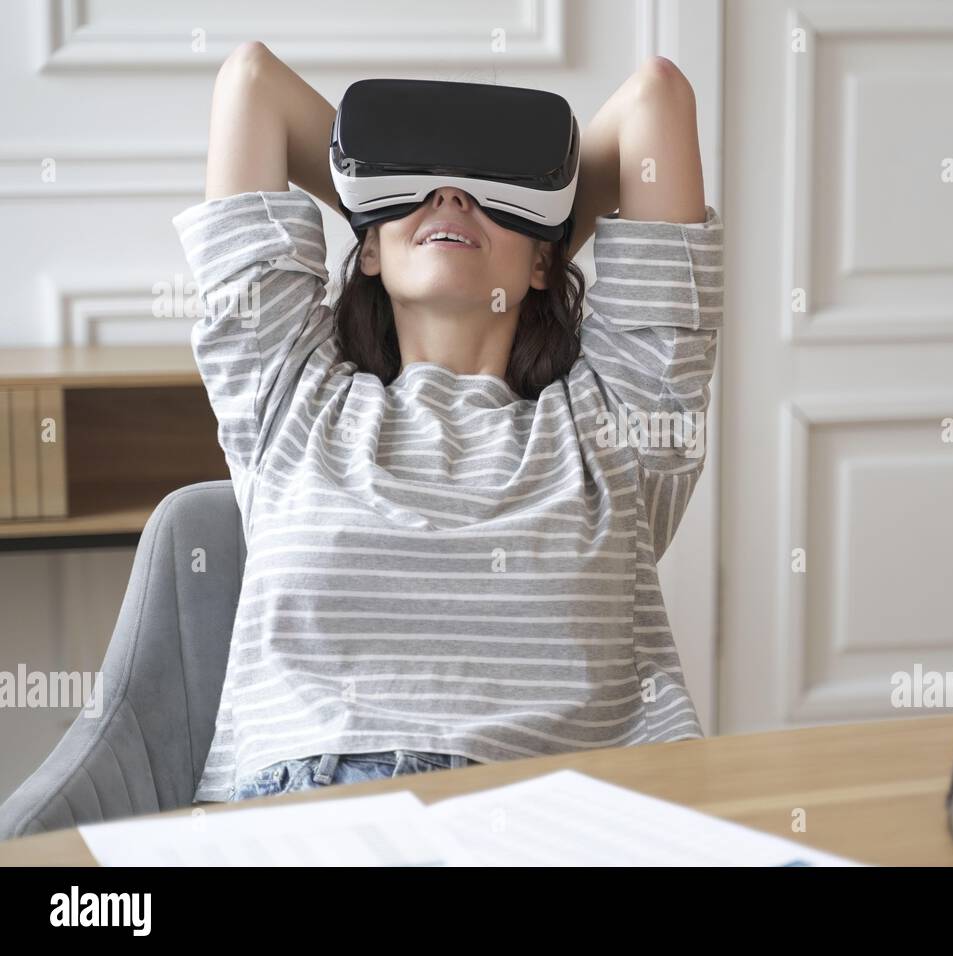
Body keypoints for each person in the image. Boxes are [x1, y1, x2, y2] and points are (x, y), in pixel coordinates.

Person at [173, 42, 724, 801]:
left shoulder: (616, 427)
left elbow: (655, 98)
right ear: (366, 247)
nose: (453, 197)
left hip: (560, 816)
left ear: (543, 264)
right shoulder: (289, 400)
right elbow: (250, 84)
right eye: (424, 192)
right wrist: (422, 201)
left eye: (485, 194)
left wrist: (484, 205)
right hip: (314, 809)